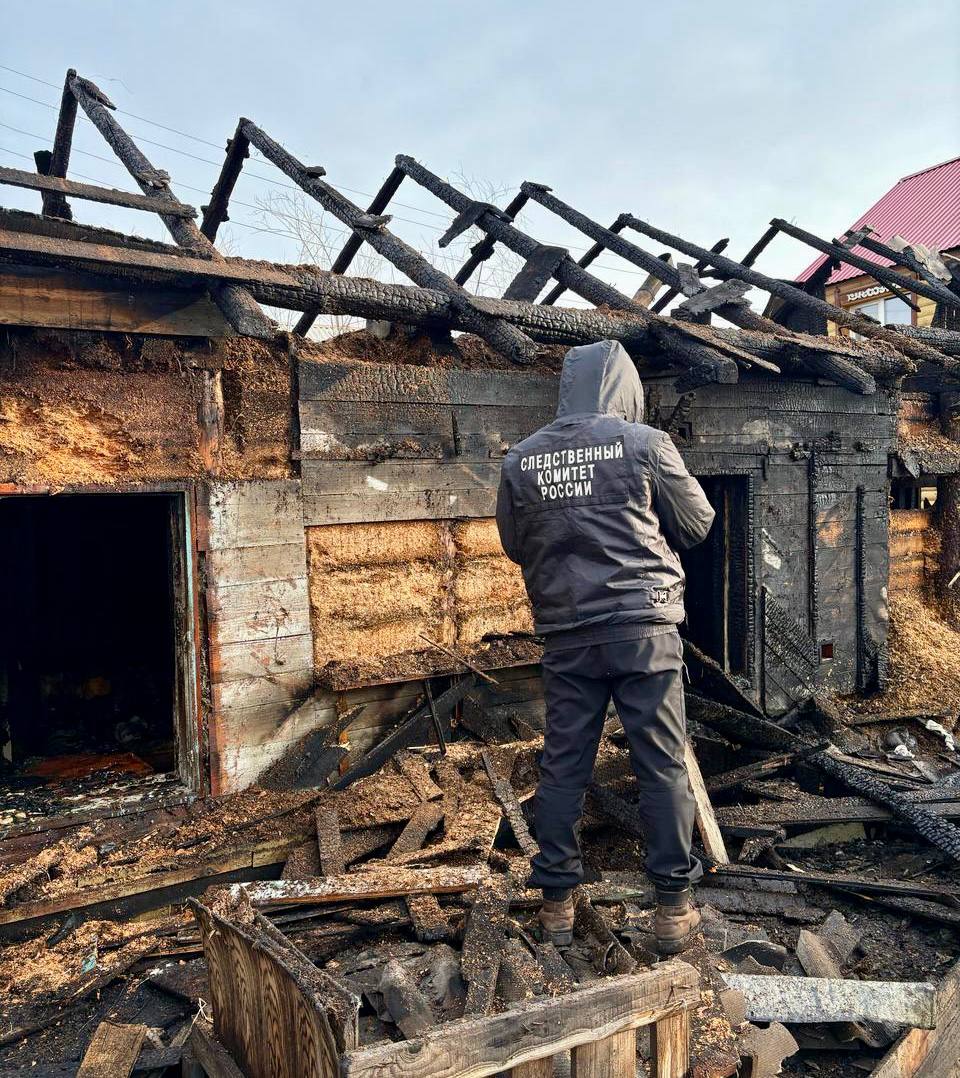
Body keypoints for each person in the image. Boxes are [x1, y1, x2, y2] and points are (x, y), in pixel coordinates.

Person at [495, 339, 715, 955]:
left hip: (568, 635)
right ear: (626, 388)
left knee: (564, 765)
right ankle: (672, 908)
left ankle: (557, 905)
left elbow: (517, 545)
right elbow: (698, 525)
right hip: (643, 630)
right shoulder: (644, 444)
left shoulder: (521, 460)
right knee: (661, 763)